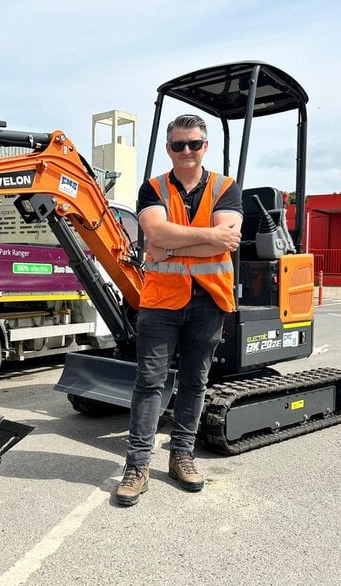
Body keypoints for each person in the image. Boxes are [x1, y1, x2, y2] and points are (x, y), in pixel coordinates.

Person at [116, 114, 242, 506]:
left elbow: (228, 242)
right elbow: (155, 233)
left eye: (193, 144)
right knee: (149, 383)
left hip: (208, 300)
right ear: (169, 148)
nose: (186, 151)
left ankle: (182, 456)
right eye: (177, 145)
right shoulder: (152, 188)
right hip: (160, 302)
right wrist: (207, 237)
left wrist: (172, 247)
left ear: (206, 146)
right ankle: (137, 465)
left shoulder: (226, 187)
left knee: (194, 382)